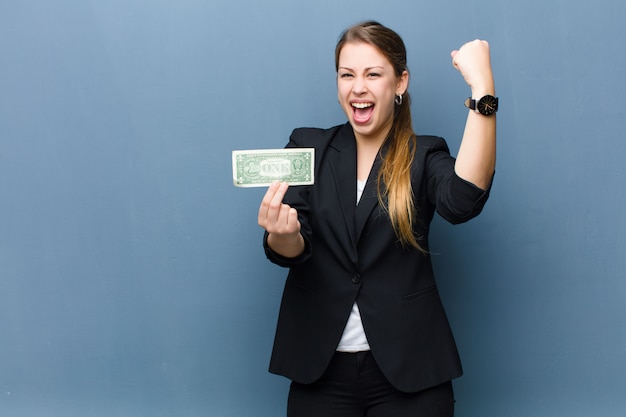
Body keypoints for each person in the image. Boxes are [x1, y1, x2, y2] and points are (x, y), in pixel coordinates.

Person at [257, 20, 496, 417]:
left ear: (400, 82)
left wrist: (482, 90)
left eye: (373, 74)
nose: (358, 87)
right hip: (320, 372)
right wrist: (282, 235)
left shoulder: (424, 154)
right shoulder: (307, 146)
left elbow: (463, 199)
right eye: (346, 74)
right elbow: (292, 248)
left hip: (412, 373)